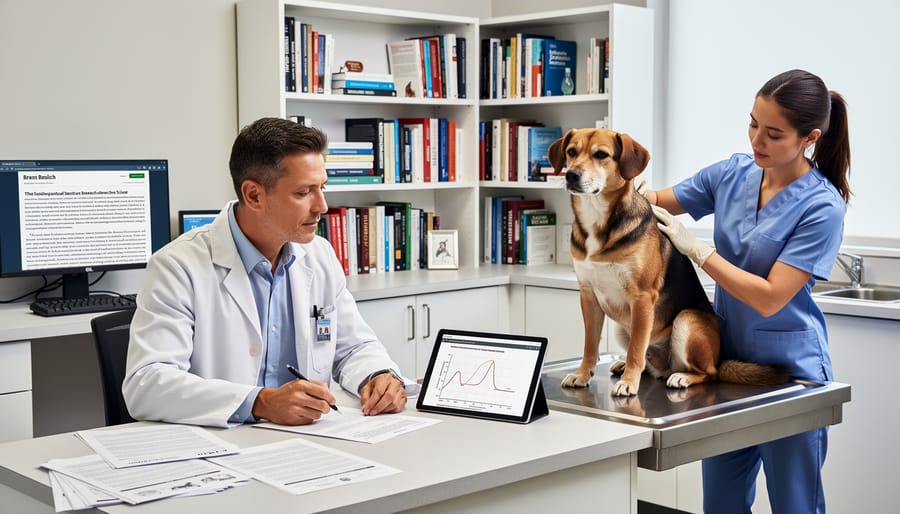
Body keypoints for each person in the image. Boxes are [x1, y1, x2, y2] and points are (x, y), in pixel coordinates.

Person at [645, 69, 850, 513]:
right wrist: (615, 177)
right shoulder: (731, 174)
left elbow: (770, 296)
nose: (757, 139)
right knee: (721, 503)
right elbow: (657, 201)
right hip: (726, 368)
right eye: (753, 124)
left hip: (791, 375)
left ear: (809, 138)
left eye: (773, 133)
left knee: (795, 505)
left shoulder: (822, 205)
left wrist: (699, 252)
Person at [123, 117, 411, 428]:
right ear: (254, 195)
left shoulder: (319, 256)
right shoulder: (178, 266)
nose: (322, 206)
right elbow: (146, 384)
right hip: (222, 445)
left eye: (322, 188)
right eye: (304, 193)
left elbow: (354, 346)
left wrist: (378, 374)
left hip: (311, 440)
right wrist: (259, 402)